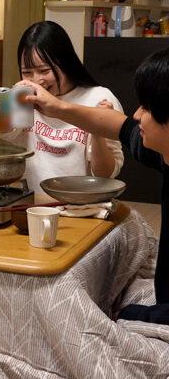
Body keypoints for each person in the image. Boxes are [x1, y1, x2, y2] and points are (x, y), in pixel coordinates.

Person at [23, 46, 169, 325]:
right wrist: (56, 107)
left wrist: (138, 316)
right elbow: (119, 125)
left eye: (147, 107)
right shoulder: (161, 150)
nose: (136, 115)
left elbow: (107, 165)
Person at [0, 21, 124, 193]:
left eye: (44, 71)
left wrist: (96, 130)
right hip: (33, 202)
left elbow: (105, 174)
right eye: (27, 72)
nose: (36, 80)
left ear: (65, 63)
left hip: (80, 203)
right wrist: (1, 107)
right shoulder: (24, 97)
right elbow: (4, 133)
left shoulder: (99, 99)